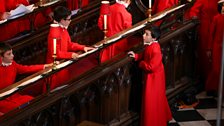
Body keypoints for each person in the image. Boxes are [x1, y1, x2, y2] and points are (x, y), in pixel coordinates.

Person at [128, 26, 172, 126]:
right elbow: (145, 55)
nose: (143, 36)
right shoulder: (150, 45)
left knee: (151, 101)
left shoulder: (156, 49)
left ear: (154, 38)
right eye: (144, 33)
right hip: (151, 77)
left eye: (146, 34)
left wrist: (141, 63)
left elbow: (151, 67)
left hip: (154, 79)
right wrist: (136, 56)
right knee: (153, 100)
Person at [0, 43, 53, 114]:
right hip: (2, 101)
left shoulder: (12, 64)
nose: (13, 56)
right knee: (18, 109)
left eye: (12, 53)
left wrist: (45, 66)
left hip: (14, 96)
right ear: (1, 57)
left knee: (31, 100)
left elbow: (26, 69)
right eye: (9, 54)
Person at [187, 0, 219, 83]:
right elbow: (194, 10)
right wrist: (194, 16)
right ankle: (207, 79)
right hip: (206, 27)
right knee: (206, 53)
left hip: (217, 25)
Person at [205, 1, 224, 96]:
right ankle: (212, 88)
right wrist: (209, 48)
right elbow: (211, 35)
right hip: (217, 47)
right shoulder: (216, 18)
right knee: (216, 69)